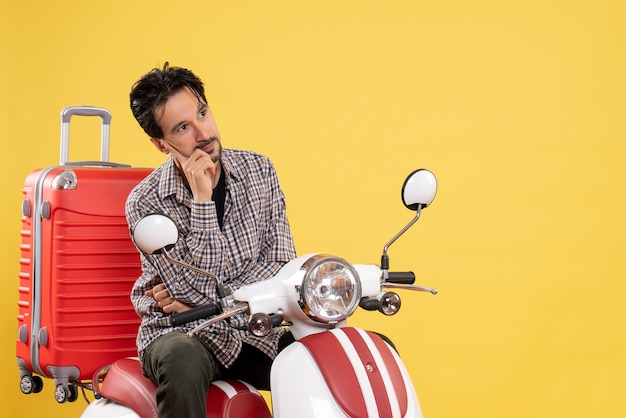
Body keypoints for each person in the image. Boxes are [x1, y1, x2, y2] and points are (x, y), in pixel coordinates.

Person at [125, 63, 297, 418]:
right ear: (160, 143)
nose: (203, 133)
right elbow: (194, 293)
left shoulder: (260, 171)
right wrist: (203, 201)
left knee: (341, 352)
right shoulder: (146, 203)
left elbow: (281, 270)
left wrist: (206, 299)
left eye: (202, 113)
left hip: (254, 331)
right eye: (183, 127)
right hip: (182, 331)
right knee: (182, 361)